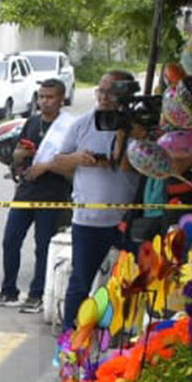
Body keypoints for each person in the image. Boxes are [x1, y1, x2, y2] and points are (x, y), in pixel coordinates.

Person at [54, 71, 144, 328]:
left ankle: (124, 334)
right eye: (100, 91)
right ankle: (71, 334)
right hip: (89, 220)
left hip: (130, 219)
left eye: (111, 92)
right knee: (81, 281)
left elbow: (135, 167)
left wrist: (133, 137)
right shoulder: (82, 124)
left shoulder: (137, 127)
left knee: (133, 281)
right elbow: (59, 160)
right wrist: (77, 159)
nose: (104, 97)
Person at [0, 78, 73, 312]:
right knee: (10, 240)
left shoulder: (69, 127)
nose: (44, 101)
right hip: (26, 191)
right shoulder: (31, 122)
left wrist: (47, 167)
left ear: (61, 99)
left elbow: (72, 164)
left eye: (50, 97)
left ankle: (37, 294)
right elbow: (17, 158)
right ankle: (8, 290)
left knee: (43, 245)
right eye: (41, 96)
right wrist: (18, 157)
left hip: (53, 193)